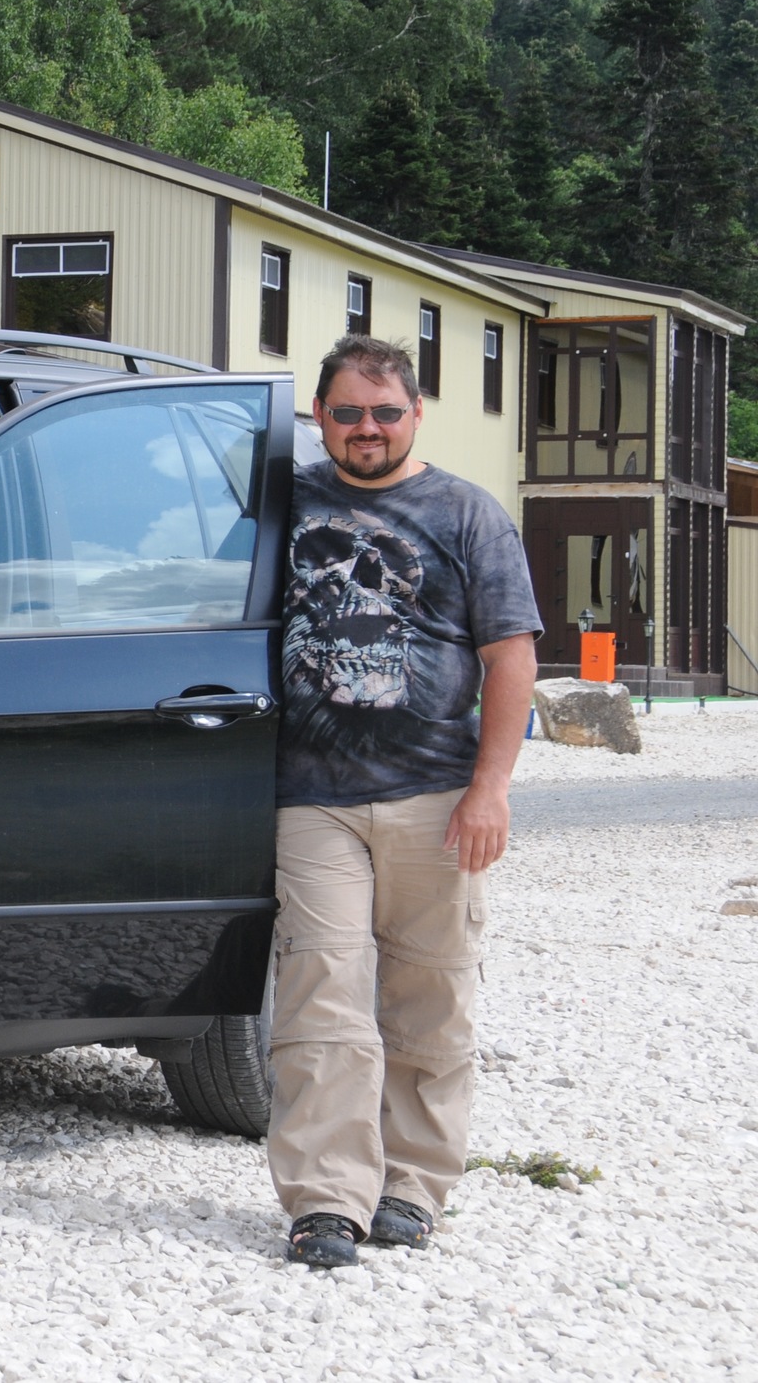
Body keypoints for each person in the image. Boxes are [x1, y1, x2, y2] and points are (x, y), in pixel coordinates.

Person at [272, 335, 541, 1268]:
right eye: (348, 412)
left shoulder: (467, 514)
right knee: (322, 993)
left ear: (415, 414)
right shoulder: (285, 503)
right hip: (312, 800)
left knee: (432, 994)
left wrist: (490, 790)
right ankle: (326, 1200)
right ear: (320, 415)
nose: (368, 429)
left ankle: (414, 1187)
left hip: (436, 794)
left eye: (385, 413)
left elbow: (512, 657)